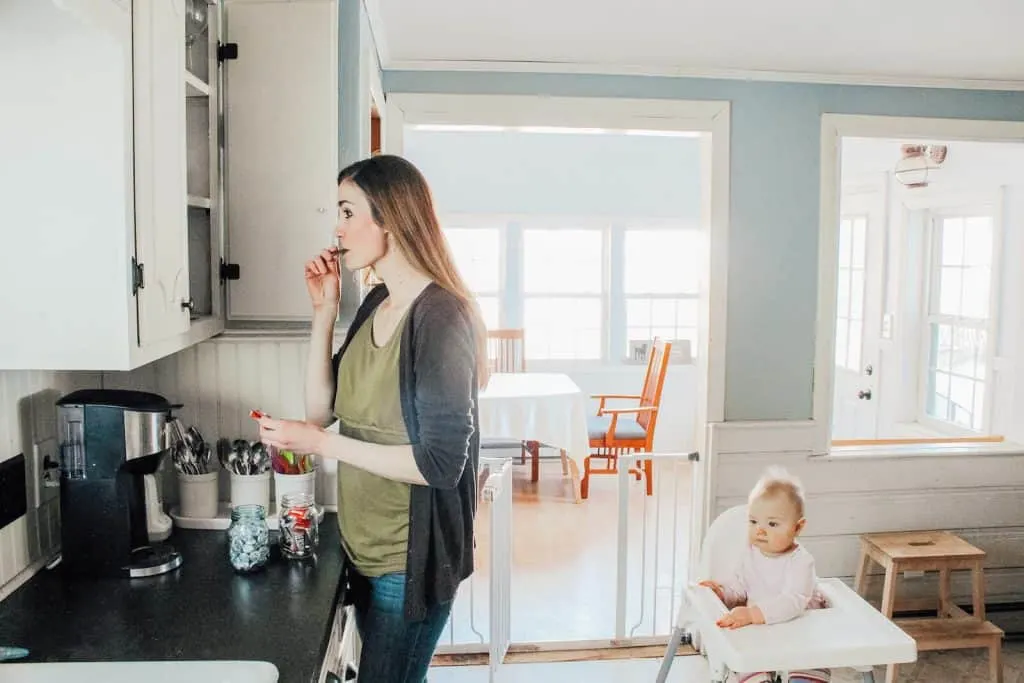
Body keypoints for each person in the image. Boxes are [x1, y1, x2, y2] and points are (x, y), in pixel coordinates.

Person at [256, 154, 488, 682]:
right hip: (362, 548)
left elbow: (439, 465)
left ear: (390, 217)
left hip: (407, 562)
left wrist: (318, 443)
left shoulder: (441, 316)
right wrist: (324, 314)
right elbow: (323, 409)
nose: (336, 229)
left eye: (346, 212)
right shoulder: (376, 301)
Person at [698, 467, 830, 683]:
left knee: (808, 674)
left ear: (797, 528)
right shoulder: (750, 555)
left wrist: (752, 614)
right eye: (753, 521)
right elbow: (740, 587)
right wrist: (721, 592)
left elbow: (793, 601)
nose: (760, 530)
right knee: (748, 669)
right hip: (762, 636)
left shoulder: (801, 562)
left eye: (772, 524)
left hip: (800, 637)